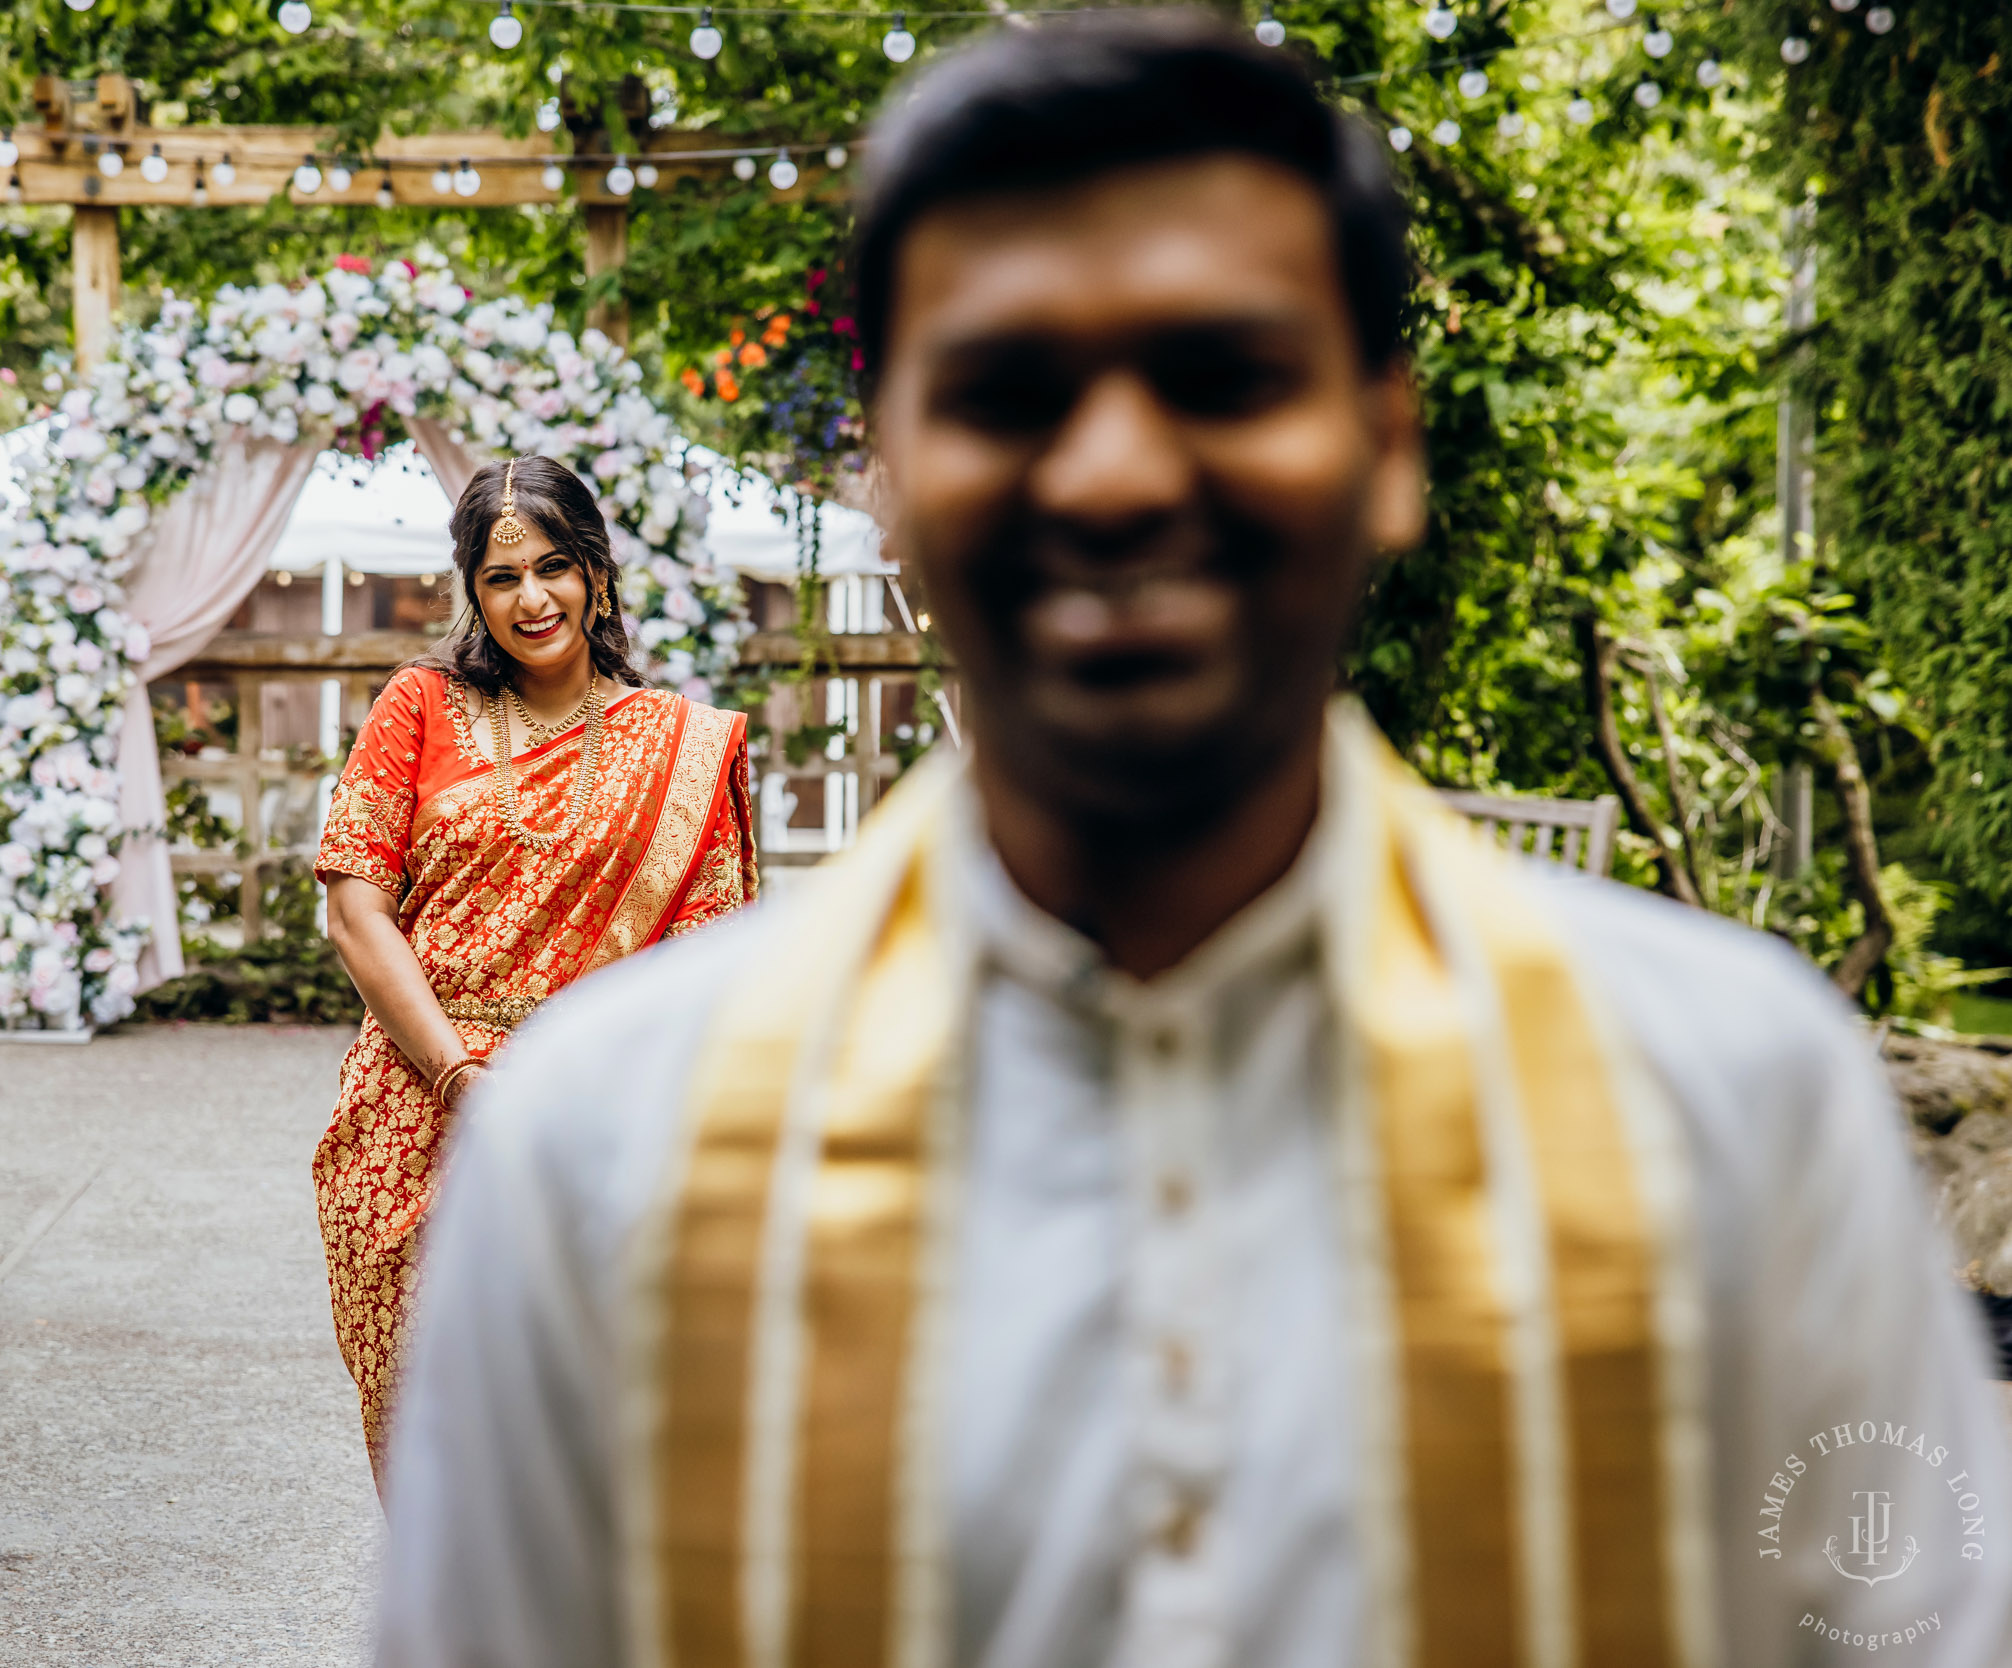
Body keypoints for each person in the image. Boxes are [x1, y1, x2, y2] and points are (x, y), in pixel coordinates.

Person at [376, 14, 2012, 1668]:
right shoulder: (605, 1157)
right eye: (1010, 390)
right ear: (891, 480)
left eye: (1222, 375)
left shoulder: (1727, 1103)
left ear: (1388, 446)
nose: (1112, 471)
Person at [310, 453, 758, 1494]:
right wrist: (461, 1076)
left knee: (585, 1454)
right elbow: (354, 908)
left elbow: (707, 966)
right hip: (414, 1122)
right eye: (501, 576)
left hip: (597, 1125)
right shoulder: (418, 708)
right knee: (438, 1455)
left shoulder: (677, 746)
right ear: (471, 590)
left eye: (553, 566)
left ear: (595, 574)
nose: (531, 597)